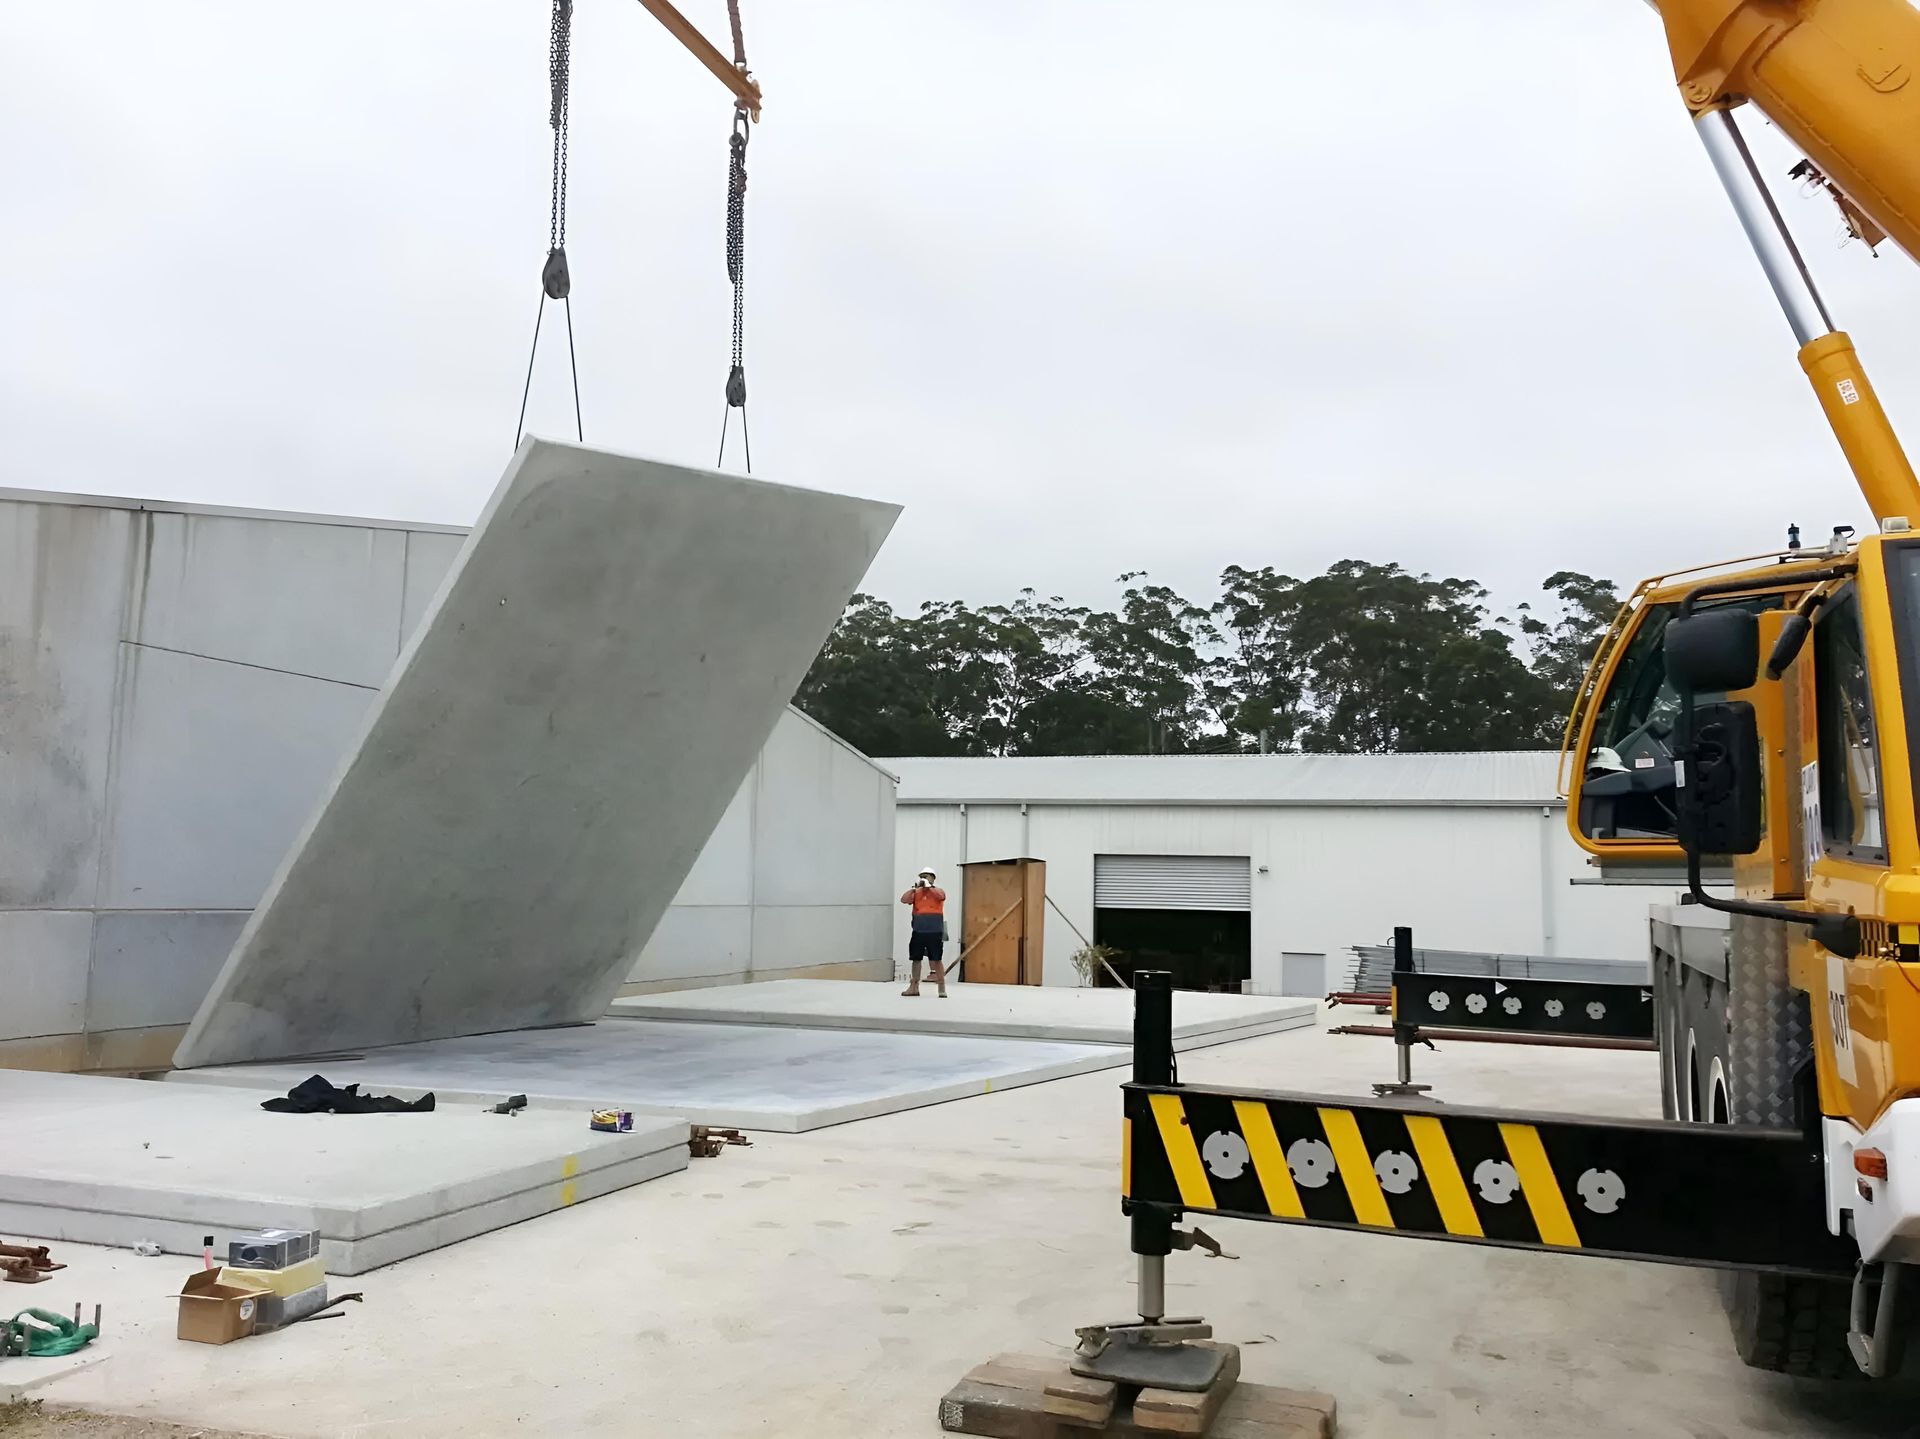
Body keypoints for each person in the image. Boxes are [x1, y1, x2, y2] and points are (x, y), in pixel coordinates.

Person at [900, 866, 948, 998]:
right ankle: (914, 986)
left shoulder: (937, 891)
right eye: (922, 876)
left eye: (927, 876)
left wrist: (929, 887)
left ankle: (941, 987)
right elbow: (904, 899)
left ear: (933, 878)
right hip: (918, 930)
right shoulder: (916, 893)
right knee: (916, 958)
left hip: (934, 931)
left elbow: (942, 896)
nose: (924, 878)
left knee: (936, 959)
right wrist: (915, 889)